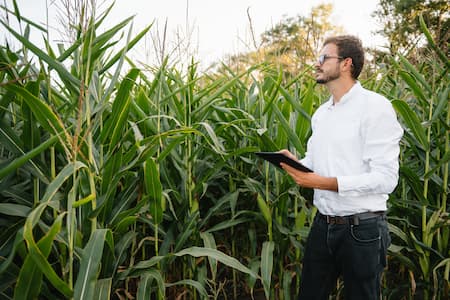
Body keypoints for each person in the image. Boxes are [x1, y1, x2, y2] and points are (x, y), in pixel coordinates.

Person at [279, 35, 403, 299]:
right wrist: (293, 163)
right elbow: (314, 164)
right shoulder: (322, 114)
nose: (317, 63)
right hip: (323, 225)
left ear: (346, 63)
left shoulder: (375, 107)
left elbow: (385, 178)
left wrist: (324, 184)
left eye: (324, 58)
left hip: (362, 229)